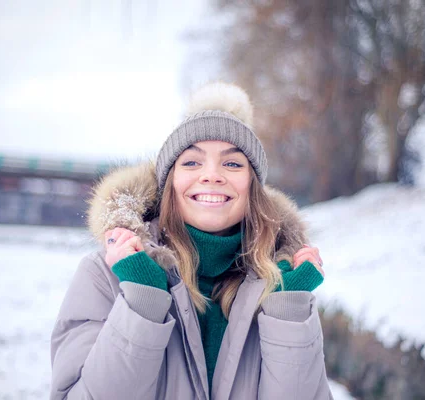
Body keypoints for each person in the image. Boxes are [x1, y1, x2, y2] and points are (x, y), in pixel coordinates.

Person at [50, 83, 333, 399]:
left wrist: (288, 308)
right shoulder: (104, 275)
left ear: (253, 187)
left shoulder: (282, 283)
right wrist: (141, 300)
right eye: (192, 162)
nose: (212, 175)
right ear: (169, 183)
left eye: (232, 163)